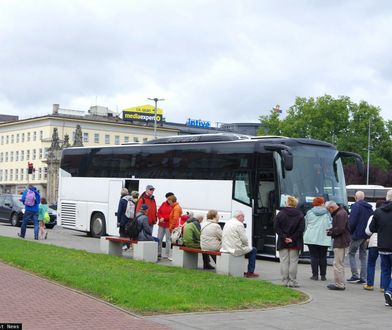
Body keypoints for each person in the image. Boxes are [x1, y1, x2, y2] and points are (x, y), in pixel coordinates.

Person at [274, 195, 305, 287]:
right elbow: (301, 229)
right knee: (293, 262)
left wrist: (284, 237)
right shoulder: (300, 214)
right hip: (295, 242)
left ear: (287, 203)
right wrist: (292, 238)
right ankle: (292, 281)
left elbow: (276, 227)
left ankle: (284, 281)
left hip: (283, 242)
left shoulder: (280, 214)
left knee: (284, 261)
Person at [369, 190, 392, 307]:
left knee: (386, 270)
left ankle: (387, 298)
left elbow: (371, 228)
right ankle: (390, 291)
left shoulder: (378, 212)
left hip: (383, 246)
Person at [220, 210, 259, 278]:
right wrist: (247, 246)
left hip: (225, 247)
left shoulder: (228, 222)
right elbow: (244, 239)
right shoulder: (239, 224)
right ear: (239, 216)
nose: (244, 219)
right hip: (235, 249)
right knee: (253, 250)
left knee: (248, 249)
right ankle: (250, 272)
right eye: (243, 217)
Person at [347, 191, 373, 284]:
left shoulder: (355, 206)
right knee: (363, 256)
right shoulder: (370, 207)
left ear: (355, 197)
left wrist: (350, 231)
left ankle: (355, 275)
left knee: (351, 253)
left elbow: (352, 221)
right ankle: (363, 277)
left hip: (357, 234)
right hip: (366, 235)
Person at [304, 196, 332, 281]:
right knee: (323, 256)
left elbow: (306, 224)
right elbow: (330, 225)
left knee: (314, 256)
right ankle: (323, 276)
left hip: (311, 237)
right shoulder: (327, 213)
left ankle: (315, 275)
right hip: (323, 237)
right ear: (322, 203)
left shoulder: (309, 212)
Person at [325, 201, 350, 290]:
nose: (329, 212)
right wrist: (331, 229)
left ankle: (339, 284)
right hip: (343, 240)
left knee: (337, 264)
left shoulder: (340, 214)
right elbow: (340, 227)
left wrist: (330, 232)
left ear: (331, 208)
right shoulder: (342, 212)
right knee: (340, 263)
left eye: (328, 210)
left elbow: (340, 229)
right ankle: (341, 283)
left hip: (340, 241)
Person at [364, 200, 384, 291]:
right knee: (385, 265)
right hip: (386, 242)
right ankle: (383, 286)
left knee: (371, 263)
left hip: (374, 241)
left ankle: (370, 284)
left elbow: (368, 231)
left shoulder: (373, 216)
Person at [157, 192, 175, 259]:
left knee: (168, 240)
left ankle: (167, 254)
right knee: (159, 238)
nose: (168, 199)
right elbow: (159, 211)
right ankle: (159, 253)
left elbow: (172, 216)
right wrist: (160, 217)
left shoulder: (173, 206)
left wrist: (164, 218)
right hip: (161, 224)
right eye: (167, 198)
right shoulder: (163, 203)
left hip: (168, 225)